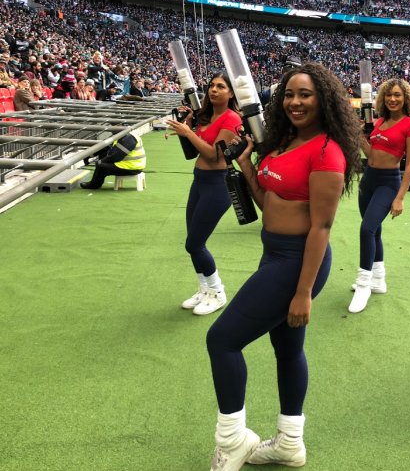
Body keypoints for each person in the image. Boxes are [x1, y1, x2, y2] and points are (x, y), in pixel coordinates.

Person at [204, 62, 361, 470]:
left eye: (305, 95)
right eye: (289, 94)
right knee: (288, 349)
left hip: (296, 262)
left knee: (222, 340)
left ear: (323, 100)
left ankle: (232, 439)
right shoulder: (281, 144)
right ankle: (290, 443)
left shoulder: (327, 151)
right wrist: (247, 164)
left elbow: (321, 227)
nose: (294, 102)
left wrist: (304, 292)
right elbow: (268, 202)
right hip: (273, 253)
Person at [165, 72, 243, 316]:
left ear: (231, 93)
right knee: (194, 242)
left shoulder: (231, 118)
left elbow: (214, 155)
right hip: (199, 181)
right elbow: (195, 150)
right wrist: (187, 126)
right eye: (211, 85)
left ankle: (217, 292)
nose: (214, 90)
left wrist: (189, 133)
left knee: (194, 243)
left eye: (221, 86)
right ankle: (204, 289)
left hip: (217, 185)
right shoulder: (205, 116)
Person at [348, 77, 410, 313]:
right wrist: (360, 136)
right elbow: (370, 155)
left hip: (388, 183)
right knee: (373, 230)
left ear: (406, 98)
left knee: (366, 229)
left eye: (398, 95)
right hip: (368, 180)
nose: (393, 99)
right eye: (389, 95)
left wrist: (400, 197)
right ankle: (378, 279)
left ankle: (363, 284)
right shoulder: (379, 121)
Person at [79, 133, 146, 189]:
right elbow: (105, 146)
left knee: (101, 166)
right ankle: (96, 180)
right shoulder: (122, 134)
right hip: (127, 164)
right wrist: (89, 155)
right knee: (104, 155)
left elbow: (115, 157)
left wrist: (102, 161)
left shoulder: (129, 139)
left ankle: (94, 185)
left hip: (132, 168)